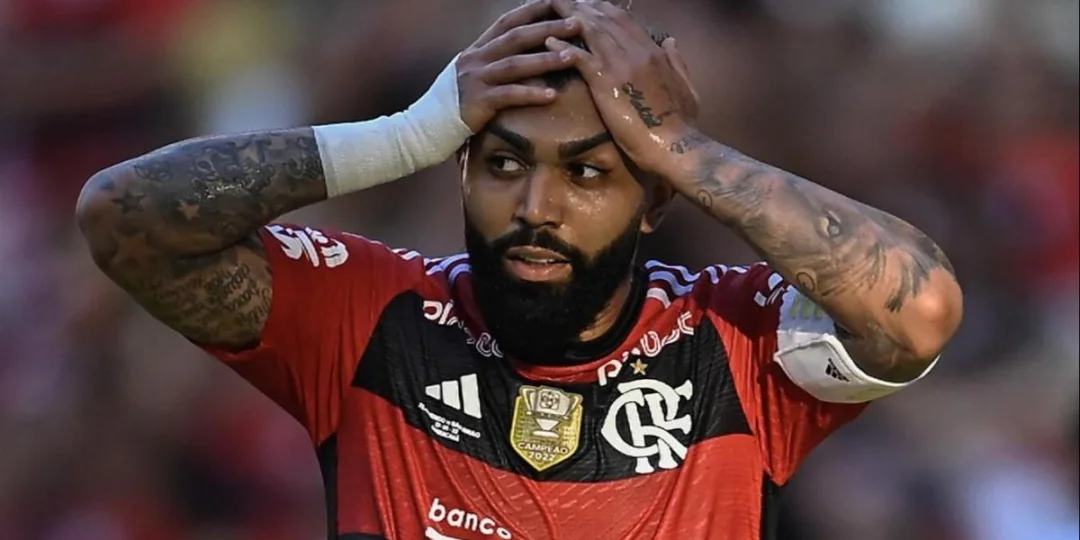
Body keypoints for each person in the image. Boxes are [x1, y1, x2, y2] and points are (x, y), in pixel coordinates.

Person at [75, 1, 964, 538]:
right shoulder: (371, 314)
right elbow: (124, 215)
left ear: (654, 202)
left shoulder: (735, 343)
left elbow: (919, 310)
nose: (538, 206)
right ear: (461, 167)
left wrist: (685, 151)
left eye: (588, 174)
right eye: (504, 164)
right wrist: (401, 137)